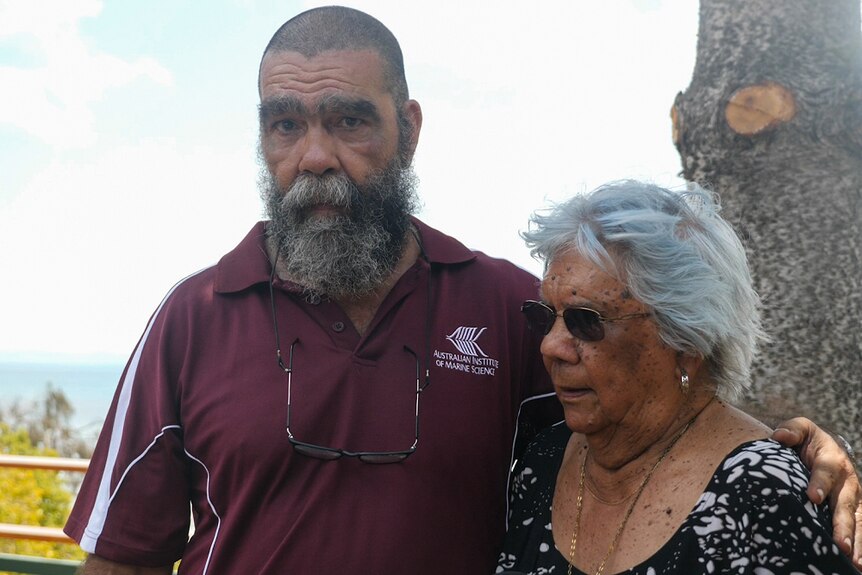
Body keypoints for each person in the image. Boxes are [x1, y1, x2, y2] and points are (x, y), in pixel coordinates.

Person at [62, 7, 860, 575]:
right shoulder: (191, 320)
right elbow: (123, 558)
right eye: (285, 124)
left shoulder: (510, 313)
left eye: (348, 121)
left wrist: (790, 450)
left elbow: (653, 406)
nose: (314, 156)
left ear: (408, 127)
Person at [497, 181, 861, 574]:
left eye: (585, 321)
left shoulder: (764, 488)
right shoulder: (544, 460)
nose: (550, 346)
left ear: (687, 341)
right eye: (545, 315)